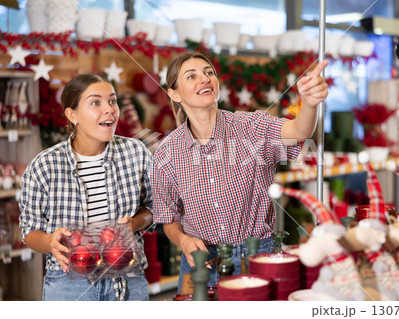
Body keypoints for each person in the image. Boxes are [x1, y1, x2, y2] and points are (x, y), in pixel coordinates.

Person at [150, 52, 328, 291]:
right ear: (174, 94)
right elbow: (168, 219)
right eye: (191, 76)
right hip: (202, 265)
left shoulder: (251, 127)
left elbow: (298, 132)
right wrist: (183, 239)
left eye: (208, 72)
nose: (204, 79)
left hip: (257, 257)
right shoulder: (167, 153)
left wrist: (309, 103)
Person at [19, 73, 154, 301]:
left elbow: (154, 208)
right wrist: (50, 242)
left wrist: (135, 223)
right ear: (73, 115)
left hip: (127, 280)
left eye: (112, 100)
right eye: (95, 102)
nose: (109, 109)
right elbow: (29, 230)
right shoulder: (45, 165)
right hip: (66, 284)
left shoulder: (136, 153)